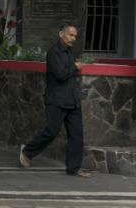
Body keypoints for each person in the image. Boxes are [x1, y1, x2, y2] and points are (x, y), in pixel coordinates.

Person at [19, 24, 90, 178]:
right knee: (51, 131)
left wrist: (73, 68)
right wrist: (75, 67)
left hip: (72, 101)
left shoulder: (70, 52)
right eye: (70, 35)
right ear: (61, 34)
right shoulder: (54, 52)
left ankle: (73, 168)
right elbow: (60, 75)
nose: (73, 38)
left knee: (77, 135)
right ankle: (27, 152)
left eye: (75, 36)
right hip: (57, 100)